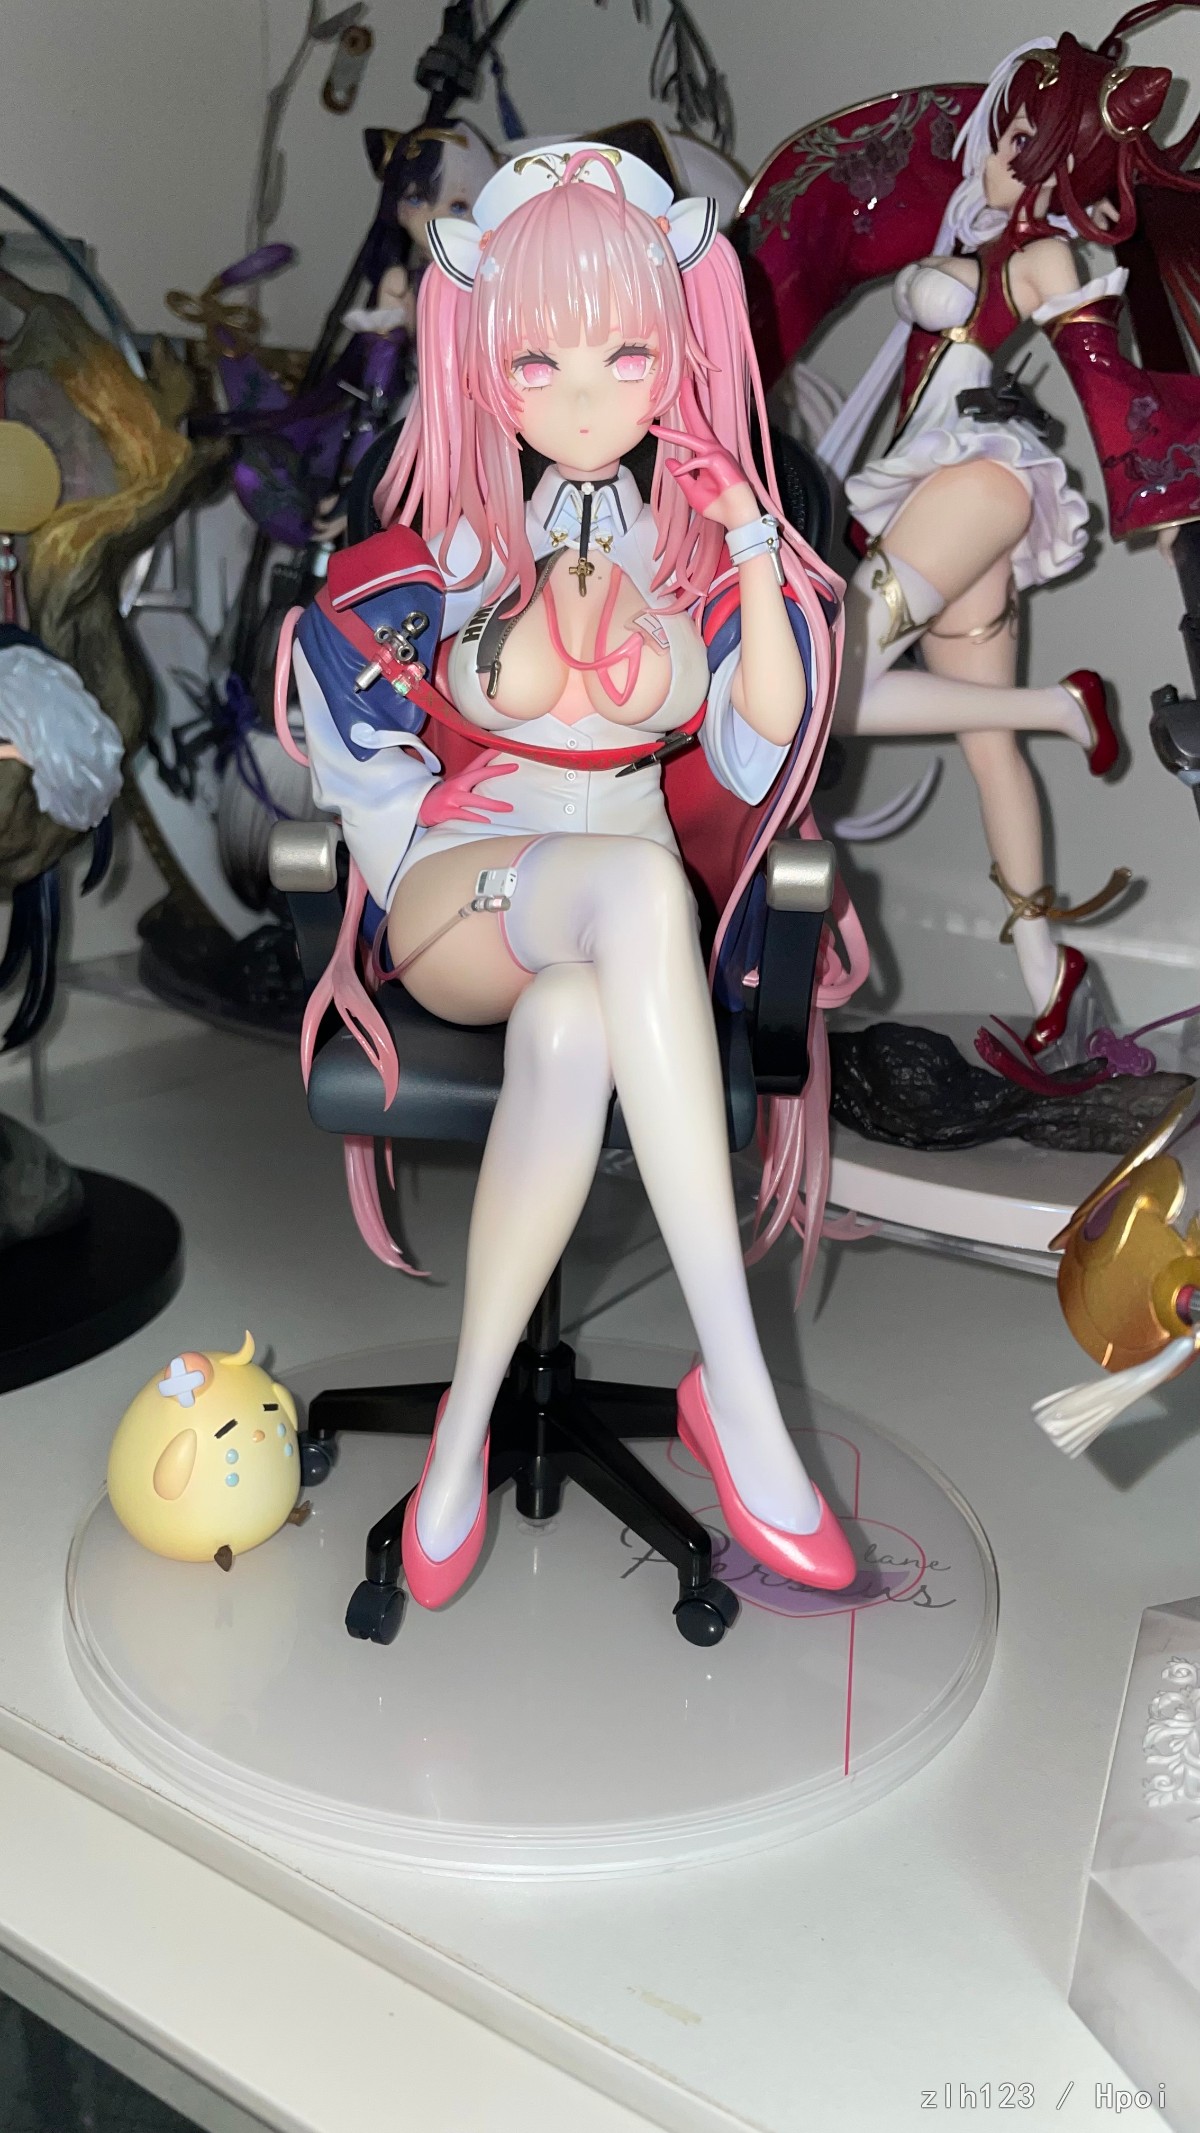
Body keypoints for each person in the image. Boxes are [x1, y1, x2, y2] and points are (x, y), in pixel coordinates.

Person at [281, 142, 866, 1609]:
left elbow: (763, 743)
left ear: (681, 346)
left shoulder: (698, 551)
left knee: (572, 1029)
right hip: (467, 889)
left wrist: (748, 543)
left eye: (626, 354)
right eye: (540, 361)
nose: (588, 397)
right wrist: (413, 849)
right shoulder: (460, 541)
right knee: (634, 895)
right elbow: (358, 742)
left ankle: (462, 1436)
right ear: (488, 362)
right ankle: (739, 1387)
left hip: (614, 920)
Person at [821, 16, 1200, 1054]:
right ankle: (1050, 980)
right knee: (990, 752)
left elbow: (1102, 378)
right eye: (1005, 135)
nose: (999, 155)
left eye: (1026, 144)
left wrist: (1164, 500)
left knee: (819, 692)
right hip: (955, 493)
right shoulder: (974, 235)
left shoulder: (1036, 254)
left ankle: (1061, 708)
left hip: (976, 483)